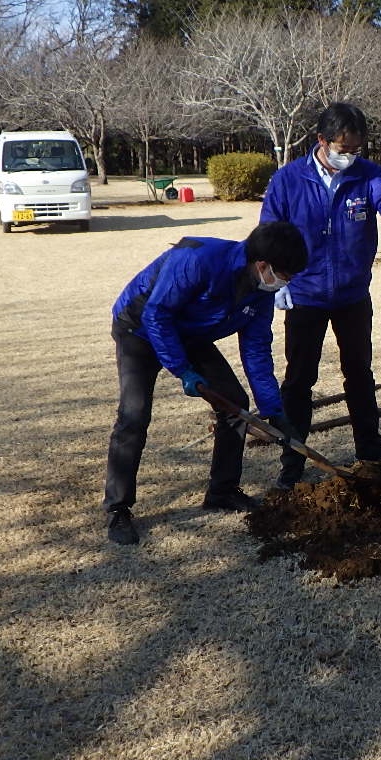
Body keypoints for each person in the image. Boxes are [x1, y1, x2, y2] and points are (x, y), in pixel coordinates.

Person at [260, 101, 381, 489]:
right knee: (299, 379)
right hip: (304, 296)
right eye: (344, 149)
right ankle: (293, 458)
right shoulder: (288, 180)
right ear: (322, 141)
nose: (351, 157)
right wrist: (276, 283)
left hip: (352, 295)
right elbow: (268, 235)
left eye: (357, 149)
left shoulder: (367, 175)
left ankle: (370, 448)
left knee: (359, 374)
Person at [102, 221, 309, 545]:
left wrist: (273, 409)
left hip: (189, 333)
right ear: (263, 265)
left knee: (234, 404)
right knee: (134, 414)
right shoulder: (199, 261)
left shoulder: (260, 293)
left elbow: (255, 349)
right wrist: (182, 370)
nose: (288, 282)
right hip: (139, 328)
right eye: (287, 275)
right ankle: (118, 509)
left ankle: (222, 491)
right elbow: (158, 315)